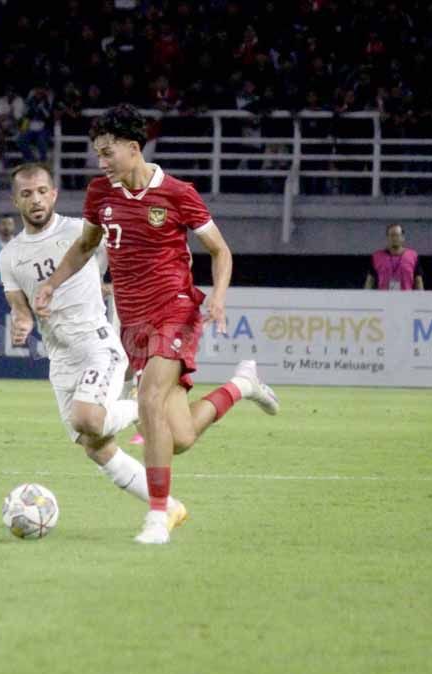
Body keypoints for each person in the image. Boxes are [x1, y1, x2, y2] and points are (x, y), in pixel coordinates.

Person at [34, 105, 281, 545]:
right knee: (179, 437)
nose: (102, 162)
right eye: (97, 154)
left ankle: (156, 516)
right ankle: (242, 385)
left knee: (148, 395)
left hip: (177, 310)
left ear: (133, 148)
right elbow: (86, 245)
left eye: (108, 153)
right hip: (132, 323)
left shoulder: (178, 193)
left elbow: (220, 251)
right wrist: (52, 283)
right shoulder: (100, 194)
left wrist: (219, 296)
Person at [0, 163, 185, 530]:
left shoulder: (79, 231)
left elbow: (128, 249)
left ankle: (145, 405)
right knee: (94, 445)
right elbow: (19, 310)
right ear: (15, 201)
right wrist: (21, 323)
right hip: (61, 358)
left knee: (87, 419)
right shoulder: (11, 255)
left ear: (53, 194)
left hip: (98, 344)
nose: (35, 199)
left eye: (41, 191)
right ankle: (168, 506)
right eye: (26, 194)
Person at [364, 223, 424, 290]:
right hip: (383, 299)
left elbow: (418, 282)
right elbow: (369, 282)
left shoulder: (413, 256)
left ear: (403, 237)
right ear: (387, 237)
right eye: (392, 235)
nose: (394, 238)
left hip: (407, 299)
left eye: (397, 235)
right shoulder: (376, 257)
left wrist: (421, 298)